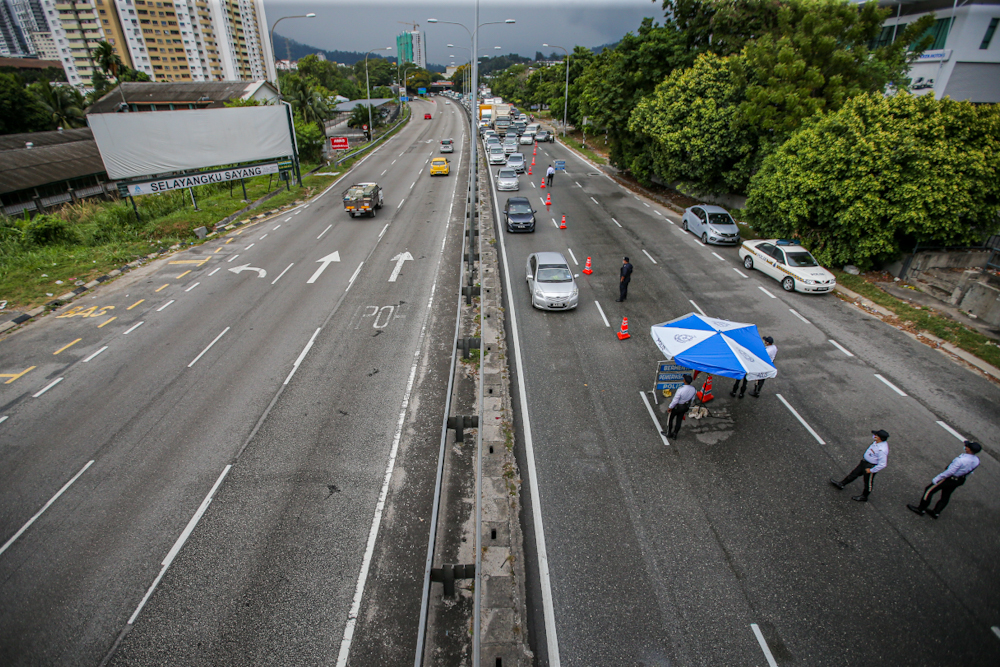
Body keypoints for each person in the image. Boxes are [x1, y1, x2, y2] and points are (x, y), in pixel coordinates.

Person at [907, 441, 981, 518]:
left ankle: (921, 509)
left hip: (949, 479)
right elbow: (970, 471)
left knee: (929, 490)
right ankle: (936, 512)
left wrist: (938, 478)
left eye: (967, 446)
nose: (965, 447)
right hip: (959, 480)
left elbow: (950, 471)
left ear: (969, 449)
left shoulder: (960, 460)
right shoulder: (976, 461)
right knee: (946, 495)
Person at [830, 430, 889, 501]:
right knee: (854, 474)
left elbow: (883, 464)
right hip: (864, 462)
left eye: (876, 435)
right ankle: (841, 484)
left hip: (870, 466)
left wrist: (871, 470)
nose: (874, 436)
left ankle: (864, 496)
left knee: (868, 482)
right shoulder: (876, 442)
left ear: (879, 438)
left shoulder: (881, 450)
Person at [662, 374, 696, 438]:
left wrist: (670, 407)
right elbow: (692, 399)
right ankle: (675, 434)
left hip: (678, 407)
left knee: (670, 419)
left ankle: (668, 433)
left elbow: (675, 400)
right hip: (685, 407)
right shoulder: (693, 389)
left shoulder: (681, 389)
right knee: (679, 420)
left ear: (684, 381)